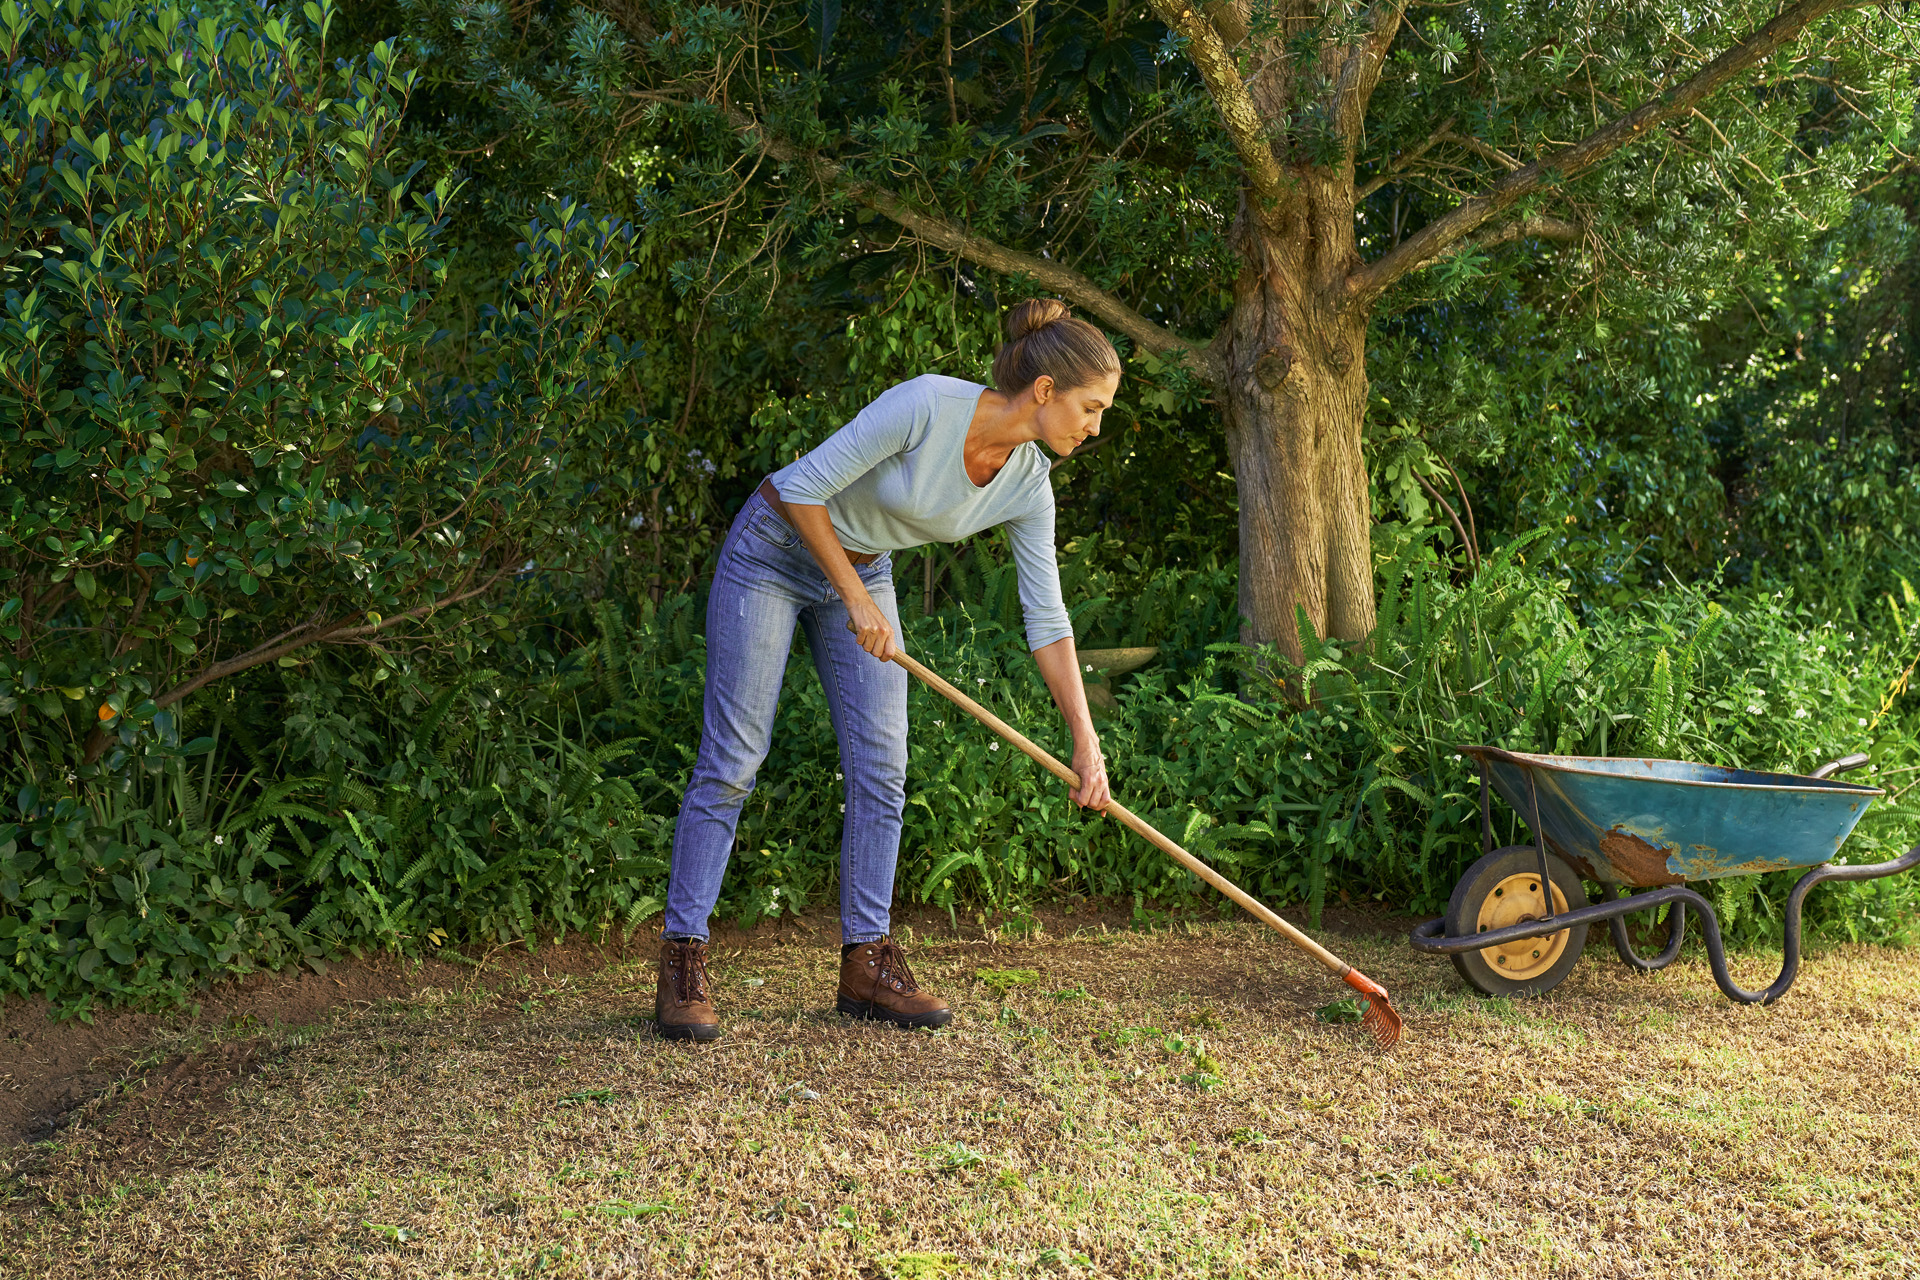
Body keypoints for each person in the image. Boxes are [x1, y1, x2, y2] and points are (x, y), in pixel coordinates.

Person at [655, 299, 1120, 1042]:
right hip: (774, 550)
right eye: (1091, 408)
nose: (1095, 427)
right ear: (1044, 390)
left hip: (865, 571)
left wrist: (1085, 742)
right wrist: (852, 599)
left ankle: (866, 965)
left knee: (883, 767)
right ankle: (683, 958)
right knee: (736, 757)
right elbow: (802, 486)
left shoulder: (1029, 483)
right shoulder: (928, 405)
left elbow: (1048, 620)